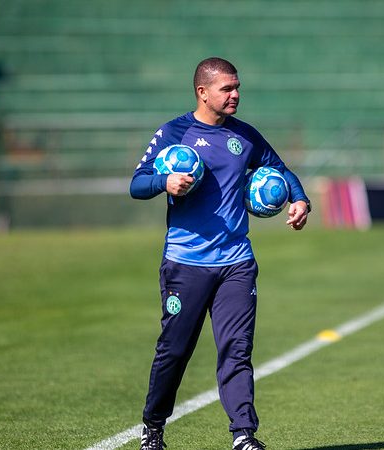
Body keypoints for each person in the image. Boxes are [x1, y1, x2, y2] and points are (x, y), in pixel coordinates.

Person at [129, 57, 311, 450]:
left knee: (237, 350)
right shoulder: (173, 133)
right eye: (227, 89)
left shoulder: (245, 137)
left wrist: (299, 199)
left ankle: (243, 434)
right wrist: (165, 181)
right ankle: (153, 426)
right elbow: (137, 184)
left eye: (237, 87)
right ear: (202, 92)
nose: (235, 95)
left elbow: (282, 170)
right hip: (186, 263)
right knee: (175, 350)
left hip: (236, 264)